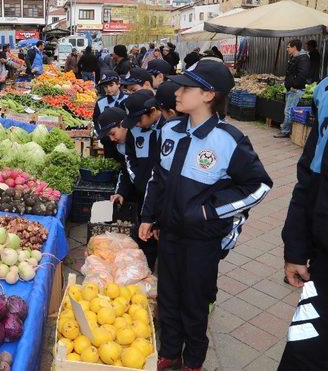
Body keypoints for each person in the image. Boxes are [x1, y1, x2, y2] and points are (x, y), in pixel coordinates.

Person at [139, 59, 272, 371]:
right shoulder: (169, 130)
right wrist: (148, 217)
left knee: (195, 304)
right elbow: (157, 179)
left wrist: (208, 210)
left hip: (203, 241)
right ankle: (170, 351)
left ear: (209, 95)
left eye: (187, 87)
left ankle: (193, 360)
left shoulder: (229, 139)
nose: (178, 92)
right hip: (168, 234)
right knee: (168, 298)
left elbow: (259, 186)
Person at [278, 74, 328, 370]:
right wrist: (295, 249)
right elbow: (308, 176)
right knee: (304, 355)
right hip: (324, 267)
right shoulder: (325, 91)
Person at [111, 89, 166, 269]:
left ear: (152, 111)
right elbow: (128, 165)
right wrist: (121, 191)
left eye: (138, 120)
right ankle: (147, 272)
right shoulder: (134, 132)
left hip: (166, 197)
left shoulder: (169, 129)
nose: (136, 124)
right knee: (146, 239)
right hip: (144, 198)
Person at [275, 39, 311, 138]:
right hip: (291, 89)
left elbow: (302, 74)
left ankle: (285, 131)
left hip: (295, 90)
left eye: (288, 47)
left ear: (294, 47)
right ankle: (286, 130)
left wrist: (294, 85)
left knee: (289, 111)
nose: (287, 49)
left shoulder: (303, 58)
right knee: (288, 110)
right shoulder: (295, 57)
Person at [93, 74, 127, 160]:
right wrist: (104, 137)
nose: (108, 89)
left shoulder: (128, 98)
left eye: (111, 85)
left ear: (118, 84)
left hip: (126, 141)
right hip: (109, 142)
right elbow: (96, 121)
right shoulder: (100, 102)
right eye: (105, 87)